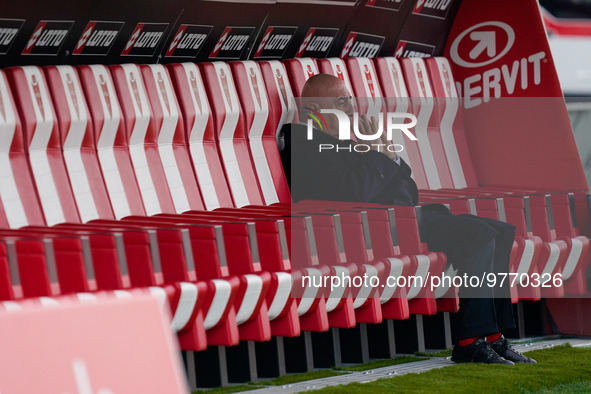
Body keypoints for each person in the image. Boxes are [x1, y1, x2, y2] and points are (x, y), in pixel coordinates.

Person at [280, 74, 536, 365]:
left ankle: (492, 336)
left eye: (350, 99)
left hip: (402, 219)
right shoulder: (302, 139)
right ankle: (469, 342)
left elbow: (407, 187)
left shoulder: (344, 141)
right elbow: (356, 191)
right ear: (313, 108)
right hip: (366, 229)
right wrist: (380, 155)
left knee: (500, 232)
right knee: (477, 234)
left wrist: (385, 153)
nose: (351, 107)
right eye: (341, 101)